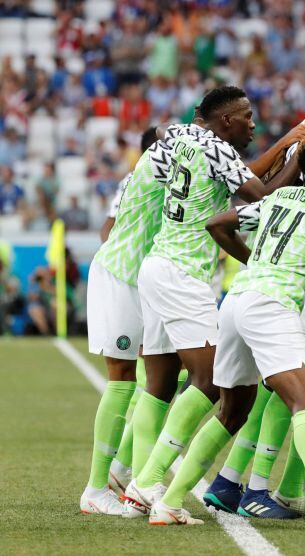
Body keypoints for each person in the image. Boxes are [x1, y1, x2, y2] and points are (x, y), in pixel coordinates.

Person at [151, 132, 305, 529]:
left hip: (238, 302)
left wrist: (253, 262)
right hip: (270, 307)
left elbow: (218, 223)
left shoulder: (279, 198)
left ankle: (169, 502)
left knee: (232, 410)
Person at [123, 86, 267, 517]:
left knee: (161, 383)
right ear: (226, 121)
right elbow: (262, 194)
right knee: (210, 380)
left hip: (159, 265)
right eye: (246, 115)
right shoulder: (220, 149)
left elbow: (216, 183)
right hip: (182, 275)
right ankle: (146, 482)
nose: (253, 123)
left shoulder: (179, 134)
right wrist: (295, 153)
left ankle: (131, 480)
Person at [79, 123, 200, 515]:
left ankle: (135, 479)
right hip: (122, 276)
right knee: (122, 380)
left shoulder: (163, 174)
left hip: (144, 279)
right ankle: (97, 489)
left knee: (163, 376)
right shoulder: (152, 170)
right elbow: (110, 226)